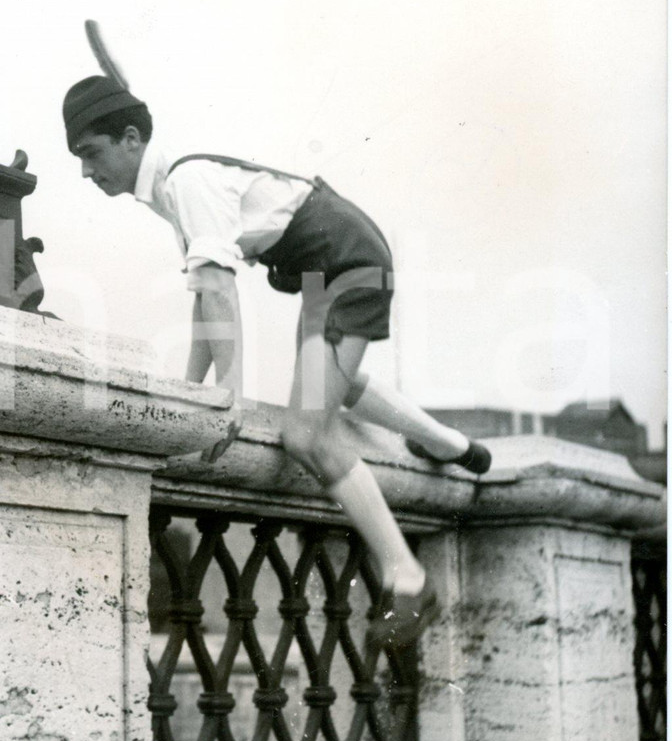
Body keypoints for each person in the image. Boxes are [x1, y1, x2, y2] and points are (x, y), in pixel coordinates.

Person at [61, 61, 491, 652]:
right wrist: (192, 392)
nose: (86, 171)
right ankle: (448, 444)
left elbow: (219, 290)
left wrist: (227, 398)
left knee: (307, 433)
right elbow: (203, 298)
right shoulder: (171, 190)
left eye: (92, 152)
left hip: (344, 262)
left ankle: (408, 577)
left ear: (132, 140)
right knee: (328, 384)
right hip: (324, 261)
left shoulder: (186, 183)